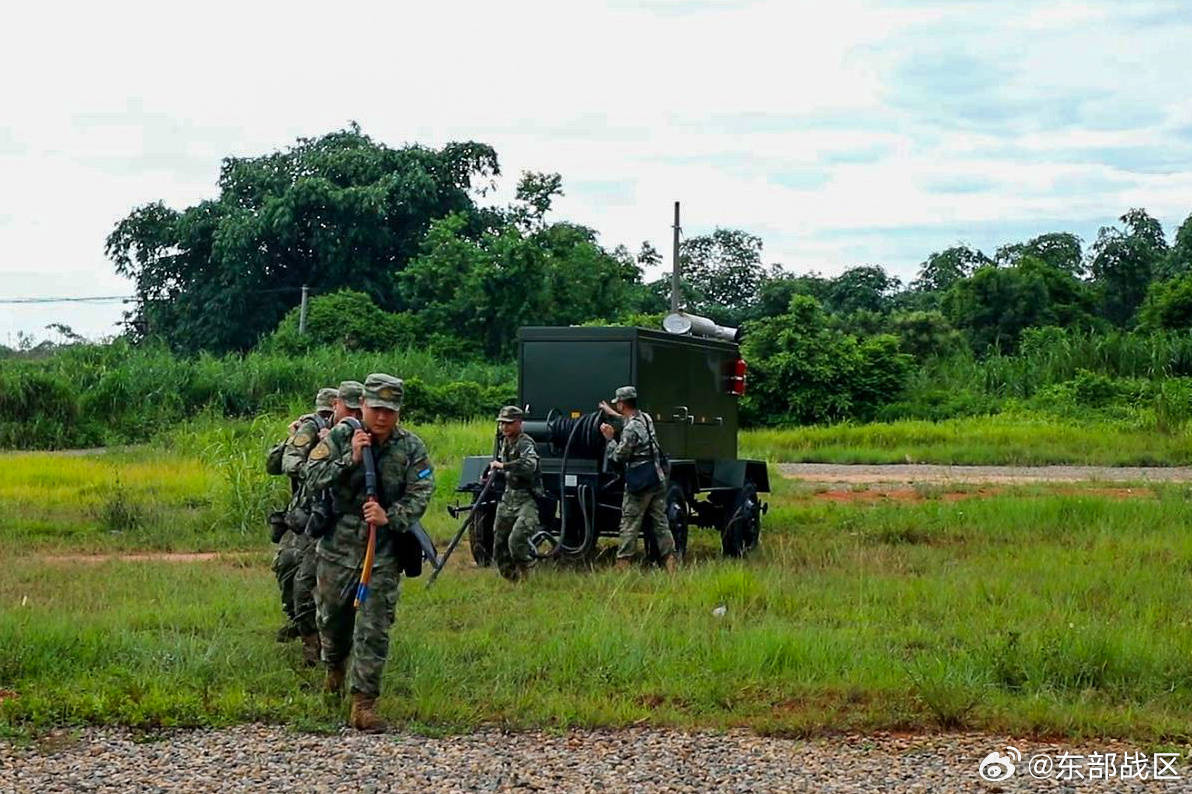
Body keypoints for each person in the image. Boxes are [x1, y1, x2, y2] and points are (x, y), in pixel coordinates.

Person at [304, 373, 435, 732]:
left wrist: (390, 517)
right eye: (376, 409)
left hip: (383, 551)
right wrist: (350, 458)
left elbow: (422, 488)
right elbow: (311, 476)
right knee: (332, 620)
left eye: (390, 411)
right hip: (337, 546)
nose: (382, 417)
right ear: (363, 405)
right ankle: (334, 667)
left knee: (374, 628)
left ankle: (363, 703)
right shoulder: (341, 436)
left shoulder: (410, 447)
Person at [290, 380, 365, 666]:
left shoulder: (364, 433)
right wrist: (322, 443)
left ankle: (339, 648)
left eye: (360, 411)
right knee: (301, 580)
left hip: (349, 527)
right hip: (315, 518)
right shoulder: (319, 431)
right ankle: (312, 642)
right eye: (349, 409)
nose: (354, 417)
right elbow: (295, 467)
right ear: (336, 404)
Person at [271, 387, 337, 646]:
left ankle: (321, 633)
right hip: (305, 515)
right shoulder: (309, 429)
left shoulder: (352, 432)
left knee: (313, 578)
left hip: (336, 516)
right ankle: (300, 623)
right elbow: (284, 465)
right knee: (288, 566)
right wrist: (295, 442)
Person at [599, 385, 677, 572]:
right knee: (660, 523)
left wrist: (610, 439)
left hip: (640, 484)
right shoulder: (646, 418)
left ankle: (622, 566)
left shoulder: (630, 430)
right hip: (656, 479)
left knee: (629, 524)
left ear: (622, 404)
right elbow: (629, 420)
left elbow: (619, 457)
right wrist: (612, 413)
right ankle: (671, 564)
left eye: (618, 403)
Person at [488, 405, 542, 581]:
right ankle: (512, 580)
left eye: (509, 423)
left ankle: (527, 576)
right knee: (499, 543)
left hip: (526, 498)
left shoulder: (525, 443)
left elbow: (529, 466)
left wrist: (504, 466)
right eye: (502, 423)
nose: (504, 427)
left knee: (516, 541)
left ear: (519, 423)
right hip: (509, 497)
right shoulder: (504, 442)